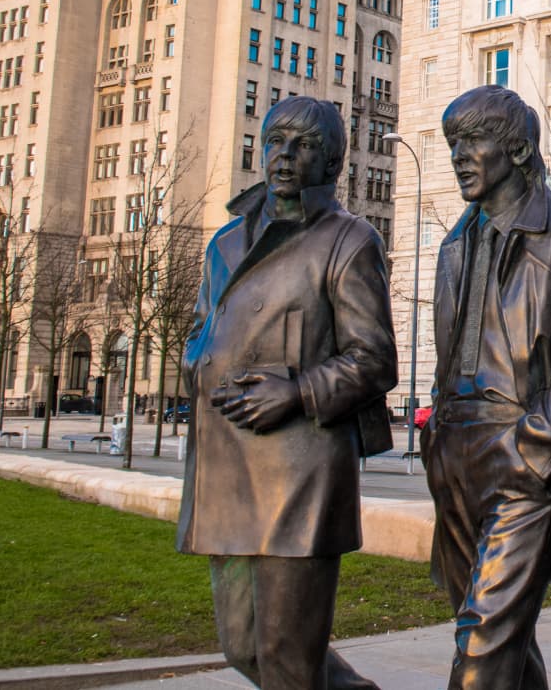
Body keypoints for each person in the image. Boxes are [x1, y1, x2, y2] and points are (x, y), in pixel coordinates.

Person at [178, 96, 397, 690]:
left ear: (330, 164)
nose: (284, 156)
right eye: (276, 142)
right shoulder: (225, 241)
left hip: (299, 473)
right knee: (244, 646)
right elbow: (203, 323)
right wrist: (196, 358)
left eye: (304, 147)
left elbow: (375, 360)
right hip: (228, 467)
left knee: (288, 659)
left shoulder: (348, 241)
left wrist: (298, 391)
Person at [425, 85, 551, 690]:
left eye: (473, 141)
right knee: (504, 643)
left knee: (481, 646)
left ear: (517, 148)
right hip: (455, 456)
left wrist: (535, 441)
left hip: (522, 452)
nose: (459, 155)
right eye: (452, 143)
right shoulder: (454, 243)